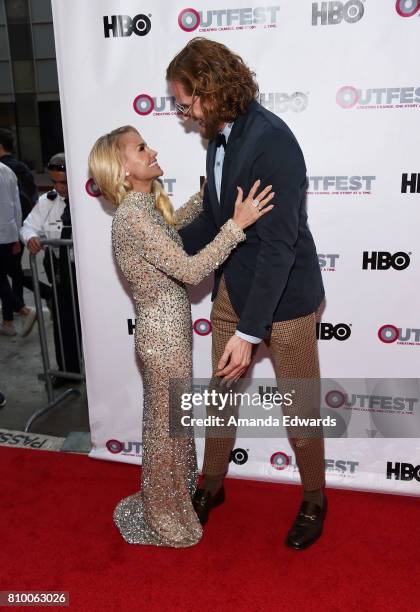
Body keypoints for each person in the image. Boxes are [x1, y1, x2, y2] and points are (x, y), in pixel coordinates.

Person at [167, 38, 327, 550]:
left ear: (211, 90)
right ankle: (211, 487)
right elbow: (219, 221)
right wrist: (164, 245)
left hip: (286, 299)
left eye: (186, 102)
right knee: (220, 397)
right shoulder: (220, 137)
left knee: (298, 403)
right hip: (235, 285)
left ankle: (315, 497)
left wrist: (250, 332)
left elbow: (279, 246)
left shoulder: (272, 141)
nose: (183, 113)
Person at [88, 125, 274, 548]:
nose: (151, 150)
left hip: (167, 333)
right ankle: (163, 512)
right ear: (123, 168)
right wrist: (237, 225)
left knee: (170, 424)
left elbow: (173, 228)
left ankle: (173, 496)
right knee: (166, 428)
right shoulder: (134, 214)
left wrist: (208, 195)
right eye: (141, 148)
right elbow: (190, 270)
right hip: (162, 338)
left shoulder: (142, 207)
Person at [20, 153, 82, 383]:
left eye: (64, 182)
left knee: (89, 321)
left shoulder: (91, 200)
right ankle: (68, 370)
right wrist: (32, 238)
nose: (59, 187)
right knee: (63, 319)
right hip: (59, 266)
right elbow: (27, 227)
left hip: (86, 271)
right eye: (54, 181)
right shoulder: (48, 201)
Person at [0, 162, 36, 337]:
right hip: (8, 233)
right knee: (4, 279)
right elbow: (17, 206)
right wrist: (16, 236)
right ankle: (7, 322)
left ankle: (23, 310)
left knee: (2, 281)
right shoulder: (7, 171)